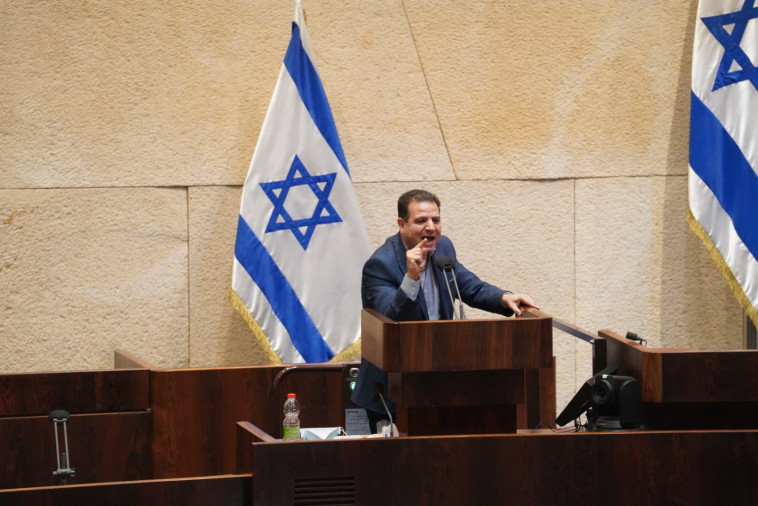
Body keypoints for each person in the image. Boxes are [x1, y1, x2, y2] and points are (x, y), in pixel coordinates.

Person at [351, 189, 538, 432]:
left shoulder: (443, 248)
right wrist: (411, 277)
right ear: (401, 224)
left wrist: (505, 298)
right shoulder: (380, 264)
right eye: (421, 221)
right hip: (392, 390)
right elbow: (387, 318)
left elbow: (468, 285)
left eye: (436, 220)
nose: (431, 227)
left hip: (439, 381)